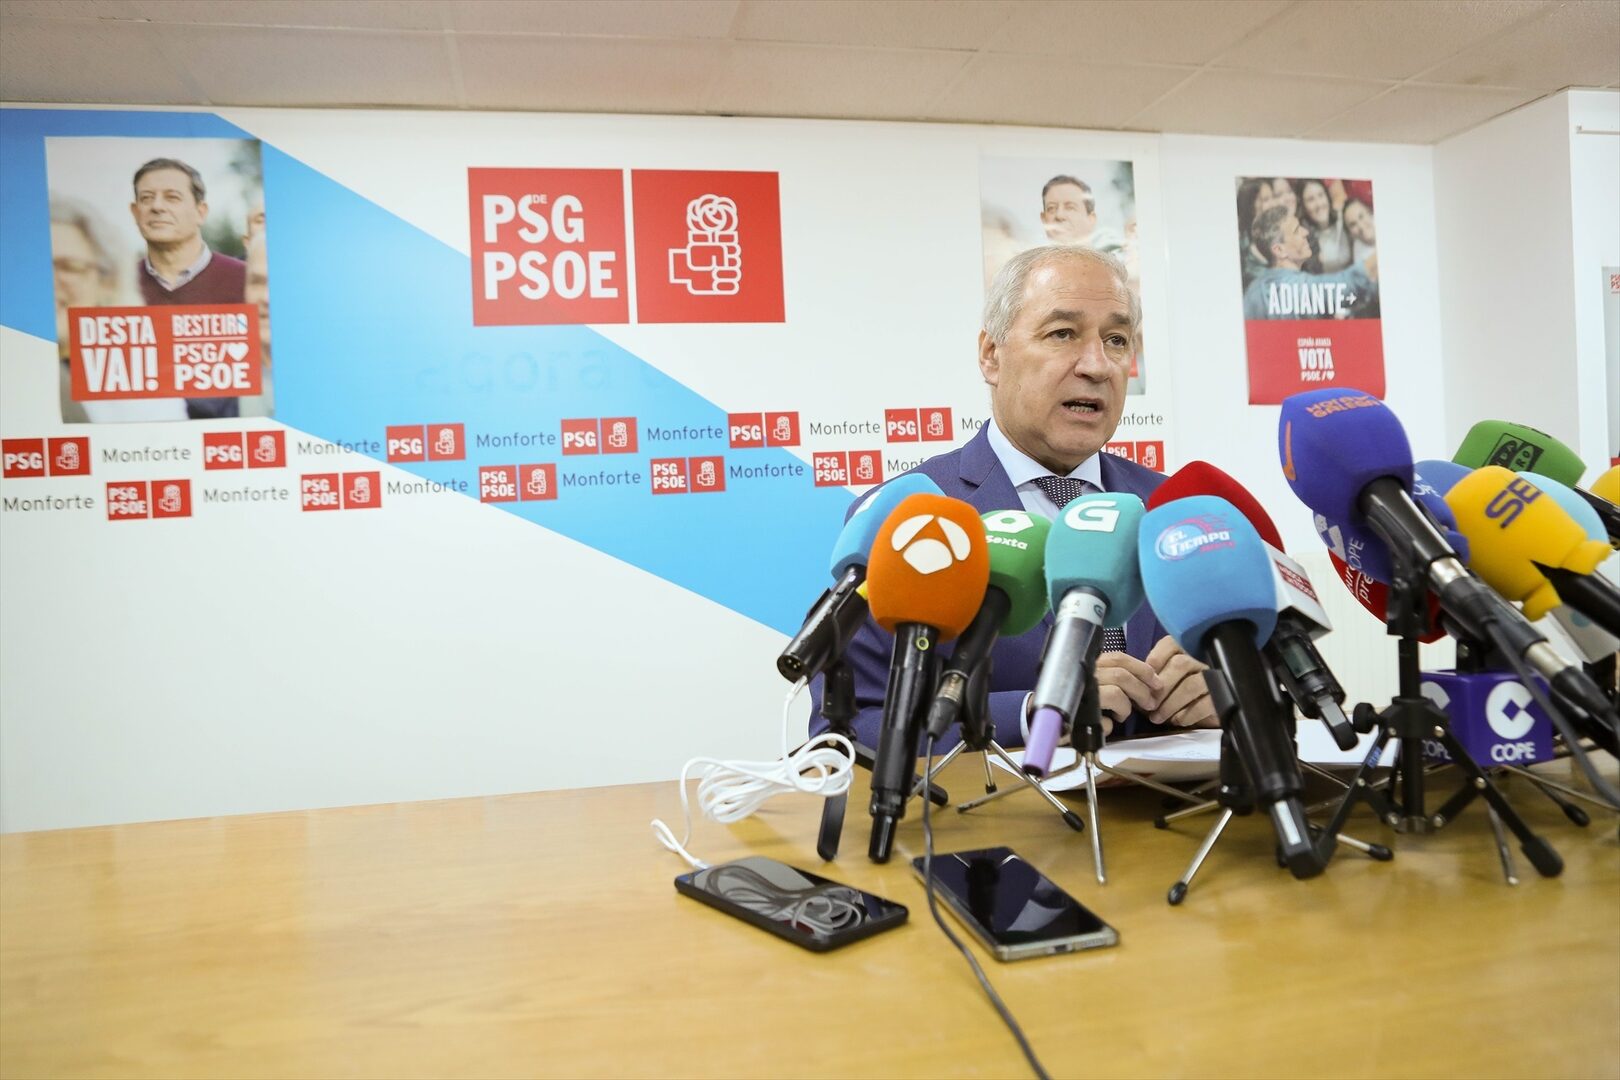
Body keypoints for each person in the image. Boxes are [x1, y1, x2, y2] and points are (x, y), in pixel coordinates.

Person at [814, 245, 1216, 753]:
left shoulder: (1176, 508)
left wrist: (1230, 692)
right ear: (991, 355)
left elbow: (1269, 691)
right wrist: (1031, 714)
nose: (1097, 365)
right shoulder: (914, 518)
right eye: (1062, 333)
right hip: (1007, 802)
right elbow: (848, 731)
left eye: (1116, 340)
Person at [129, 157, 247, 419]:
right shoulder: (115, 288)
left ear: (201, 212)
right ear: (135, 212)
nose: (157, 207)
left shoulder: (247, 281)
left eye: (172, 197)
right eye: (146, 198)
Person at [49, 197, 185, 424]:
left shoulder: (144, 384)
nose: (47, 279)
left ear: (107, 282)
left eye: (69, 267)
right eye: (33, 265)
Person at [1243, 206, 1377, 321]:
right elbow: (1351, 282)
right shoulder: (1298, 288)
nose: (1305, 232)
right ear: (1279, 250)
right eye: (1296, 230)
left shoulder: (1252, 291)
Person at [1039, 176, 1124, 255]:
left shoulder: (1119, 258)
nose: (1059, 215)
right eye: (1051, 208)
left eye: (1070, 208)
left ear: (1091, 219)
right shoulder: (1035, 263)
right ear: (1043, 219)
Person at [1299, 178, 1352, 273]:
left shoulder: (1343, 220)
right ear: (1304, 207)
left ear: (1327, 196)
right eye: (1311, 199)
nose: (1318, 204)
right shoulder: (1305, 239)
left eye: (1321, 195)